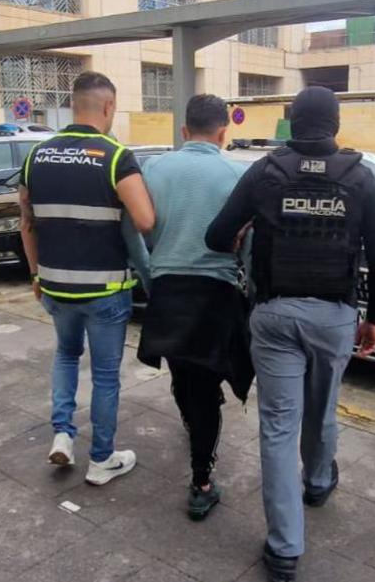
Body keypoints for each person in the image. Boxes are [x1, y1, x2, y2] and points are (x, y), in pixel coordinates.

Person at [205, 86, 375, 582]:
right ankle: (318, 481)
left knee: (278, 426)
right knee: (323, 406)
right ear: (334, 125)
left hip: (275, 315)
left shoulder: (266, 170)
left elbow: (216, 235)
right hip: (335, 317)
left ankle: (285, 548)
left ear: (291, 123)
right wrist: (374, 319)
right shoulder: (361, 177)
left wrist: (245, 234)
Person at [19, 71, 155, 486]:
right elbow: (146, 221)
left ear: (72, 104)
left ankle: (62, 433)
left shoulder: (36, 155)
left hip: (56, 285)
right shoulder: (115, 156)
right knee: (106, 376)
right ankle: (101, 459)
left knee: (65, 356)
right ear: (108, 107)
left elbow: (26, 222)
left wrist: (36, 274)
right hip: (105, 291)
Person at [137, 94, 254, 521]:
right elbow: (250, 247)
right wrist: (250, 293)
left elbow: (135, 229)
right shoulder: (237, 173)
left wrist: (151, 277)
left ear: (183, 131)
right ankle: (201, 481)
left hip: (168, 290)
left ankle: (196, 431)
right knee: (204, 388)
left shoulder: (154, 168)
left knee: (186, 378)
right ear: (224, 133)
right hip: (214, 297)